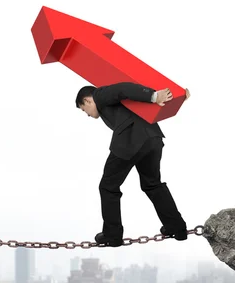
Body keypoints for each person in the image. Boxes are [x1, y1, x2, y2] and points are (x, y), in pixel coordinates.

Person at [75, 82, 190, 247]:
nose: (86, 114)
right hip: (152, 138)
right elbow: (141, 102)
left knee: (108, 187)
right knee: (152, 185)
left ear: (87, 101)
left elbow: (124, 89)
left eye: (83, 109)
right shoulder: (117, 106)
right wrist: (177, 99)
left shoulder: (100, 95)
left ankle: (112, 235)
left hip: (130, 141)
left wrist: (154, 96)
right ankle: (177, 228)